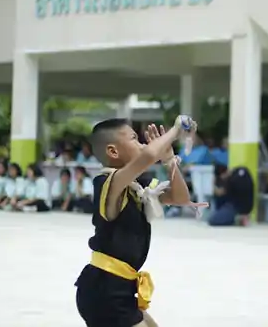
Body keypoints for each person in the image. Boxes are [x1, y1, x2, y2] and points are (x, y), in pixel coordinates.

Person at [75, 118, 196, 327]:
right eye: (134, 139)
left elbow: (181, 198)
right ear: (113, 152)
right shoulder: (107, 183)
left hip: (119, 288)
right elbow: (149, 155)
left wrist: (169, 160)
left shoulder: (138, 186)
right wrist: (175, 130)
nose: (142, 144)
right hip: (104, 291)